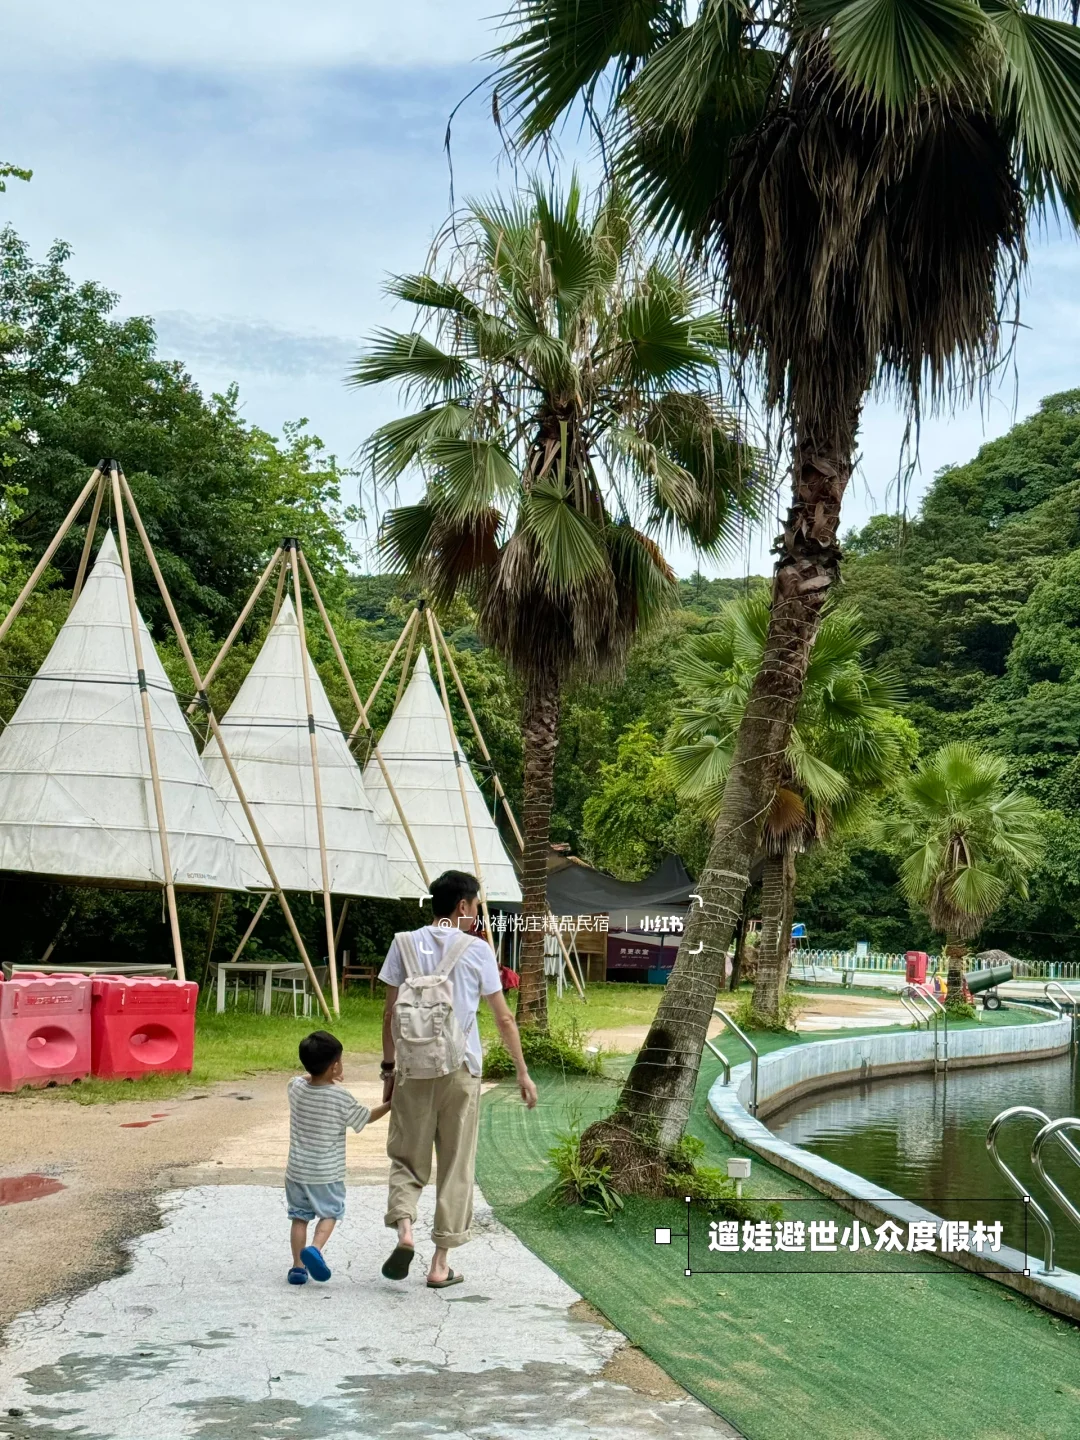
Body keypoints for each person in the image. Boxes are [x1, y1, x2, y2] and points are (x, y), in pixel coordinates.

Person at [378, 869, 537, 1289]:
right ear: (463, 906)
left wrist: (389, 1070)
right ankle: (440, 1263)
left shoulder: (403, 943)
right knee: (456, 1164)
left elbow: (390, 1013)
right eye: (476, 907)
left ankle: (405, 1229)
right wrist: (522, 1071)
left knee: (406, 1158)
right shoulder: (476, 950)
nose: (477, 915)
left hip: (412, 1069)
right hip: (461, 1068)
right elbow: (503, 1018)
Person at [285, 1029, 390, 1286]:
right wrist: (390, 1105)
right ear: (334, 1067)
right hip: (325, 1173)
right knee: (331, 1212)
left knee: (299, 1217)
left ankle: (298, 1267)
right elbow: (366, 1117)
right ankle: (315, 1249)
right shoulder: (340, 1097)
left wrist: (321, 1074)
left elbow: (300, 1079)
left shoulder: (295, 1088)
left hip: (296, 1171)